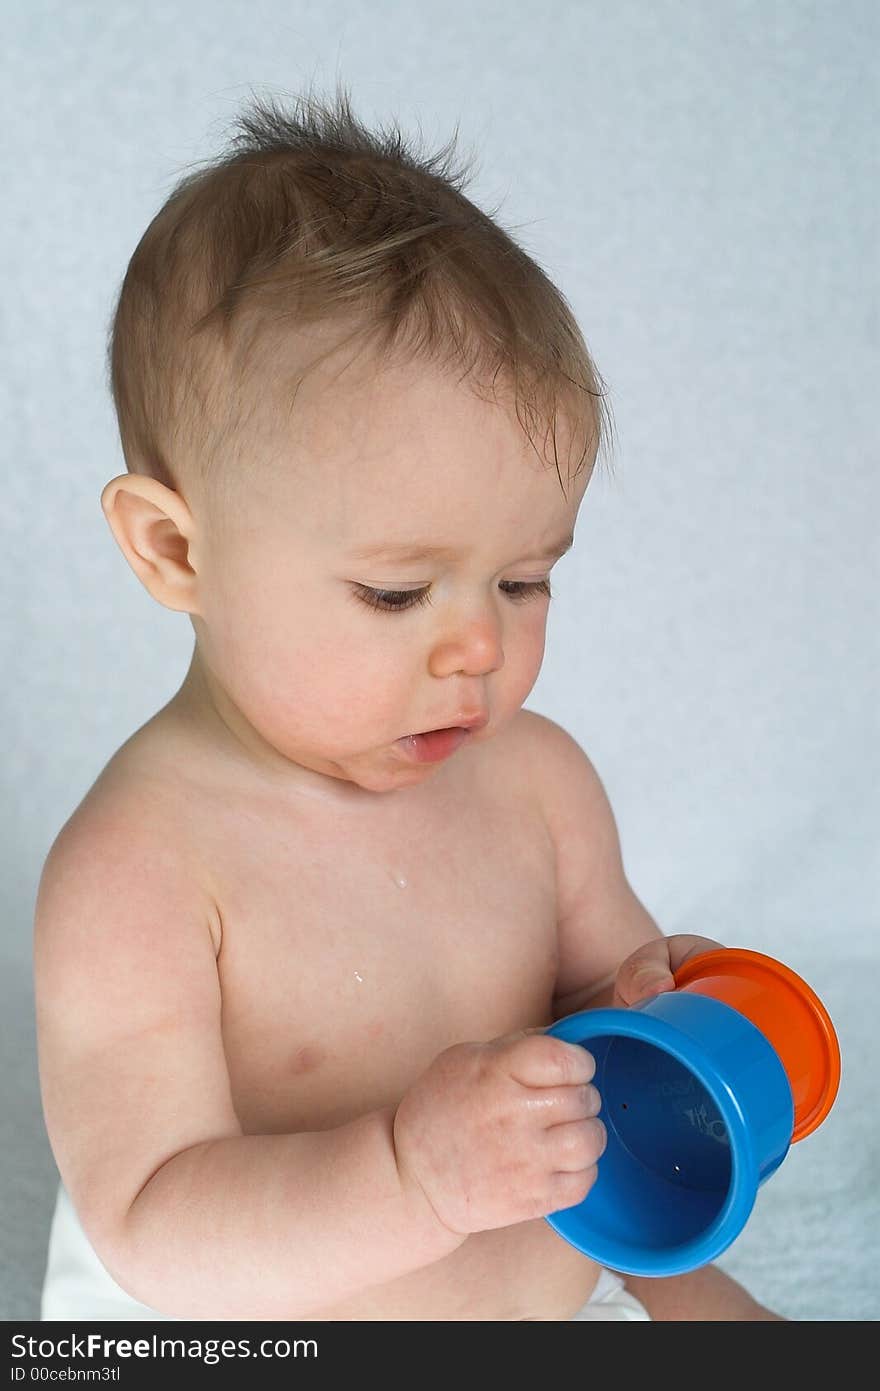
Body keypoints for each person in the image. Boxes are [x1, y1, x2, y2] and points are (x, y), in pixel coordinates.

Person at [33, 84, 784, 1322]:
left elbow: (608, 1052)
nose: (479, 644)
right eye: (395, 591)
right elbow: (154, 1224)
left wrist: (675, 1006)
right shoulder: (139, 870)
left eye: (524, 577)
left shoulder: (538, 784)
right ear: (177, 552)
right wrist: (406, 1174)